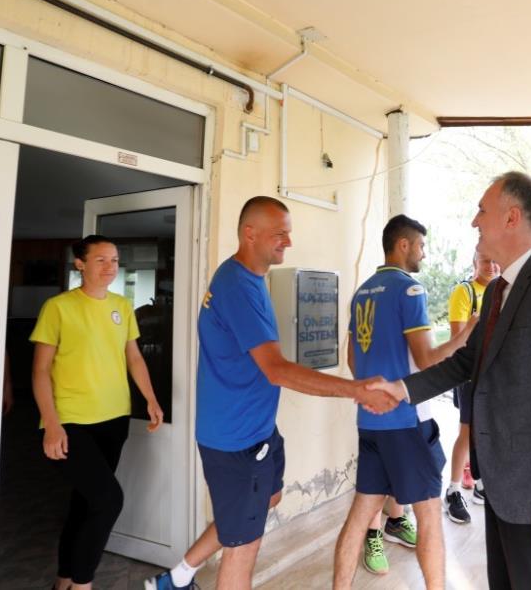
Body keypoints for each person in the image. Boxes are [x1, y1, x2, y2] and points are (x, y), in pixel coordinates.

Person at [145, 196, 394, 590]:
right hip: (236, 441)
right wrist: (357, 390)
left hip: (258, 431)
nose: (288, 242)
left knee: (266, 500)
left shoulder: (247, 278)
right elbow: (276, 369)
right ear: (250, 234)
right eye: (280, 234)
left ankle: (178, 576)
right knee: (242, 547)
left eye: (288, 233)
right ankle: (180, 578)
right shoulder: (237, 287)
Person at [369, 171, 531, 589]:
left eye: (482, 210)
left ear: (512, 217)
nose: (474, 221)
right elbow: (466, 362)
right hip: (502, 486)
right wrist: (402, 389)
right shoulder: (497, 291)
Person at [332, 215, 476, 587]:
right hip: (406, 422)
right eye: (421, 246)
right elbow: (428, 360)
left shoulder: (362, 292)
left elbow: (352, 360)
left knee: (360, 517)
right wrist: (467, 333)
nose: (424, 254)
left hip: (370, 421)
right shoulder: (410, 289)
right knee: (429, 518)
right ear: (403, 245)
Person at [31, 235, 165, 590]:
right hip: (70, 421)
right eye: (101, 260)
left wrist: (150, 399)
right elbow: (40, 370)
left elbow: (133, 357)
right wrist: (51, 425)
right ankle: (82, 584)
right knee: (108, 500)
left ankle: (63, 580)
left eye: (115, 260)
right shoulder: (58, 307)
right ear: (80, 264)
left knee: (86, 502)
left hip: (114, 419)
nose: (110, 267)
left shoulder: (122, 305)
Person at [445, 251, 499, 524]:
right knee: (466, 433)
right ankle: (453, 490)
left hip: (495, 376)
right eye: (485, 260)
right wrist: (477, 323)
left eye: (494, 260)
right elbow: (458, 339)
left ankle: (480, 484)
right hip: (470, 375)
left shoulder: (504, 290)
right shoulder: (464, 292)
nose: (491, 265)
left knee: (488, 431)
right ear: (475, 263)